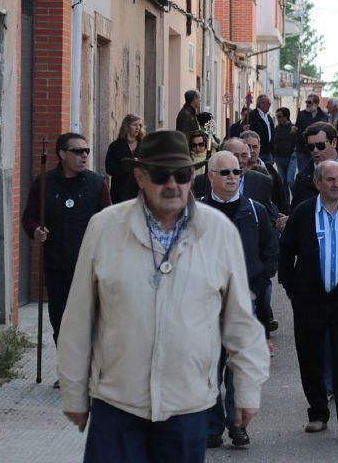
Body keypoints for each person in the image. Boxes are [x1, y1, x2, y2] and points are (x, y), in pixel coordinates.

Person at [57, 130, 270, 461]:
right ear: (140, 176)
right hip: (117, 404)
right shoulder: (105, 228)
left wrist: (247, 388)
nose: (172, 184)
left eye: (182, 174)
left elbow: (240, 319)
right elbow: (78, 317)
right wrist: (73, 393)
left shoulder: (218, 232)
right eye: (160, 174)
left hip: (187, 405)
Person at [279, 160, 338, 437]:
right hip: (309, 299)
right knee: (311, 355)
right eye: (330, 180)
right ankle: (318, 412)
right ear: (318, 183)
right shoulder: (303, 213)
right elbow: (286, 253)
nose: (337, 184)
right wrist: (292, 289)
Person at [200, 152, 278, 449]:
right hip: (206, 306)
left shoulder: (255, 211)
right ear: (211, 176)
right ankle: (211, 425)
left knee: (238, 368)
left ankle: (238, 424)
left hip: (246, 302)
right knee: (209, 367)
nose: (233, 177)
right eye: (225, 173)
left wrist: (257, 289)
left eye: (237, 172)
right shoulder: (197, 212)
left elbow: (270, 251)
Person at [22, 133, 111, 349]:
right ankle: (67, 372)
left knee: (88, 319)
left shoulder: (96, 183)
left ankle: (88, 371)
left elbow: (110, 220)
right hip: (57, 265)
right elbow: (29, 217)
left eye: (86, 151)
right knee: (60, 319)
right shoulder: (44, 183)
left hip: (89, 265)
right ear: (62, 154)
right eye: (78, 151)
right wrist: (36, 231)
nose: (84, 156)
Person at [192, 138, 273, 213]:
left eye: (244, 156)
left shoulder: (263, 182)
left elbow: (269, 216)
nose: (240, 160)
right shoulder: (202, 181)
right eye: (235, 156)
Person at [241, 130, 290, 215]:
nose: (252, 151)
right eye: (248, 147)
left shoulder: (270, 170)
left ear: (260, 147)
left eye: (255, 147)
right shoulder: (237, 172)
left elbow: (281, 198)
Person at [105, 114, 144, 203]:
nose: (137, 128)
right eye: (134, 125)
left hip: (140, 189)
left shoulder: (144, 145)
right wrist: (127, 167)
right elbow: (109, 168)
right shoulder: (115, 146)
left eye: (139, 125)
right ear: (127, 126)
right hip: (120, 190)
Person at [295, 94, 329, 173]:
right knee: (304, 173)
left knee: (318, 172)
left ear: (316, 104)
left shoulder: (323, 115)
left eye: (309, 102)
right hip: (303, 149)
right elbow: (297, 129)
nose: (307, 104)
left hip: (319, 148)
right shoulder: (302, 114)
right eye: (306, 102)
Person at [273, 107, 297, 195]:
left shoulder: (293, 128)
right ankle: (286, 204)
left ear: (286, 117)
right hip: (279, 158)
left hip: (291, 158)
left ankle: (297, 198)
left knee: (290, 180)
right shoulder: (277, 128)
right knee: (283, 183)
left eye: (279, 116)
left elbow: (298, 142)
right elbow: (274, 142)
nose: (277, 118)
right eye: (277, 116)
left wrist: (295, 152)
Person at [247, 94, 276, 166]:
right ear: (261, 104)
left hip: (268, 152)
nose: (270, 105)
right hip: (257, 152)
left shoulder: (268, 117)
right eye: (268, 103)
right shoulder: (252, 115)